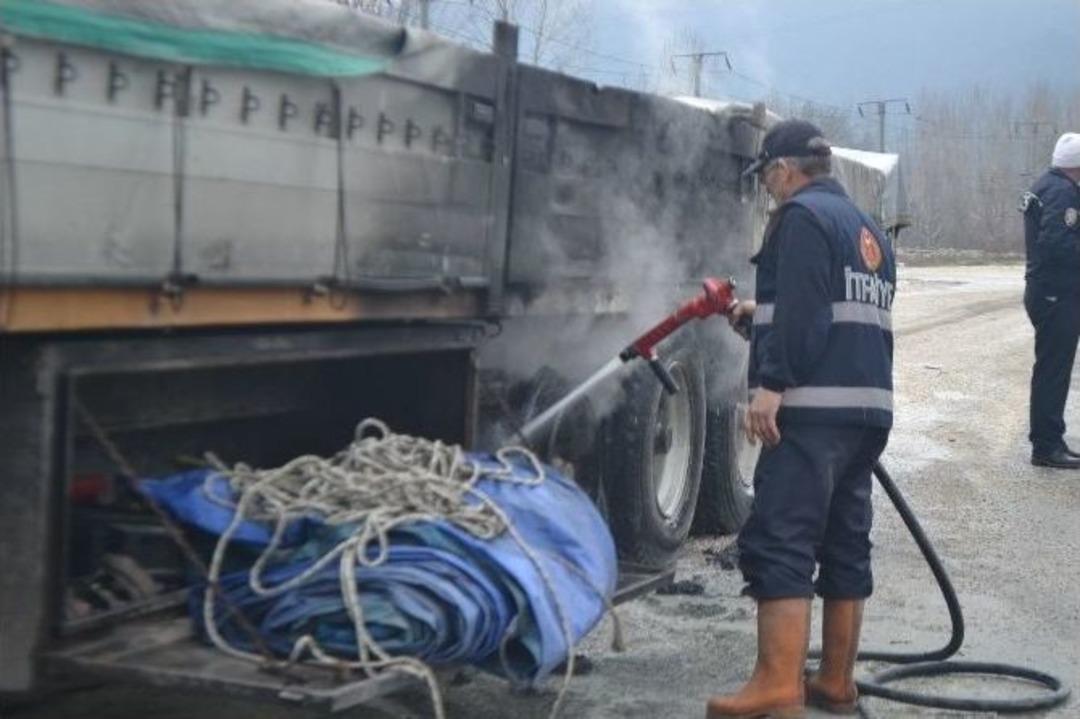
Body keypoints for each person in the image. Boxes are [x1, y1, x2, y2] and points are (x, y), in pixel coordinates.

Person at [705, 120, 896, 718]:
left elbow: (808, 314)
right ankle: (836, 683)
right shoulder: (867, 229)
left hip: (812, 413)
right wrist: (758, 315)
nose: (768, 189)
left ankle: (777, 686)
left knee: (781, 538)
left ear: (784, 170)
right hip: (865, 411)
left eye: (767, 177)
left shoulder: (799, 217)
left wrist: (771, 386)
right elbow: (828, 310)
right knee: (845, 541)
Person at [1022, 132, 1080, 469]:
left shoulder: (1047, 184)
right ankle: (1045, 446)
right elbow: (1057, 245)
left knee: (1054, 369)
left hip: (1050, 291)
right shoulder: (1062, 193)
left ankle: (1051, 438)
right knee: (1053, 371)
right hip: (1056, 293)